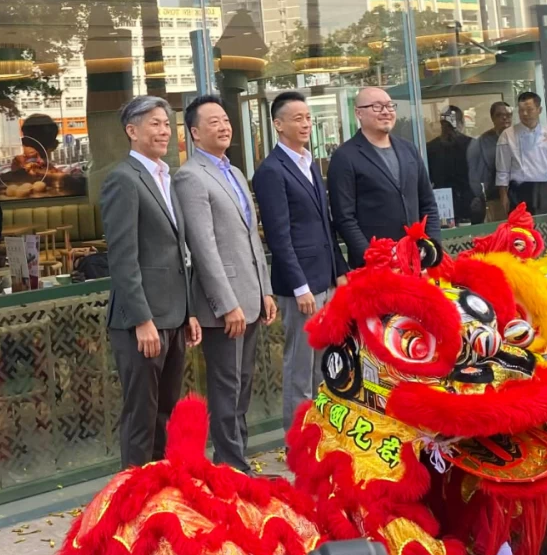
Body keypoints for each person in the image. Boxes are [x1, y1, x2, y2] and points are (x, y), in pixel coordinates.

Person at [173, 95, 277, 470]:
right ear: (195, 133)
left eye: (225, 119)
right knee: (226, 386)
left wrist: (264, 289)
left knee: (243, 384)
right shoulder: (190, 176)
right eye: (213, 121)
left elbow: (251, 238)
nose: (223, 126)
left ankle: (236, 459)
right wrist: (226, 302)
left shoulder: (235, 173)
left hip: (251, 294)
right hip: (225, 305)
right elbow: (203, 247)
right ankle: (232, 468)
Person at [101, 95, 201, 468]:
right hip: (141, 321)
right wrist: (143, 320)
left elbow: (177, 253)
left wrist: (189, 311)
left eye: (166, 123)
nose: (164, 131)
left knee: (166, 412)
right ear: (132, 131)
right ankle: (133, 494)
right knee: (141, 415)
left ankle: (161, 487)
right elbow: (123, 259)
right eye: (155, 123)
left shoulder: (166, 176)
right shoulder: (123, 180)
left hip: (173, 315)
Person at [253, 91, 349, 430]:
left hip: (325, 277)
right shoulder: (271, 171)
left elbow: (326, 224)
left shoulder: (309, 162)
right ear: (278, 125)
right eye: (297, 118)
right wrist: (299, 286)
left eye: (308, 117)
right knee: (299, 363)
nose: (306, 123)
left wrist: (340, 272)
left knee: (324, 361)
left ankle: (323, 429)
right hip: (301, 286)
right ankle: (299, 438)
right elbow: (279, 237)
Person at [327, 87, 441, 269]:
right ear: (359, 113)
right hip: (375, 268)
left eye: (390, 106)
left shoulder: (408, 149)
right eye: (377, 107)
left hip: (416, 262)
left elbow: (428, 204)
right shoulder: (345, 157)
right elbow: (344, 218)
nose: (386, 112)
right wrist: (374, 259)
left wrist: (432, 249)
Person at [495, 91, 547, 215]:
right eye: (521, 110)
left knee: (545, 229)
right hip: (518, 191)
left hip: (543, 189)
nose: (525, 114)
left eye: (529, 110)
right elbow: (502, 170)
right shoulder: (507, 135)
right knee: (520, 232)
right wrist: (503, 196)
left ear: (539, 110)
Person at [426, 105, 474, 226]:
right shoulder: (472, 144)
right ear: (461, 123)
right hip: (448, 203)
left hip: (450, 203)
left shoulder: (431, 147)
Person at [467, 101, 513, 223]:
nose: (505, 118)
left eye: (508, 115)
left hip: (520, 197)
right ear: (492, 118)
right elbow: (475, 176)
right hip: (495, 200)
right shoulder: (481, 142)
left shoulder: (519, 137)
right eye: (499, 115)